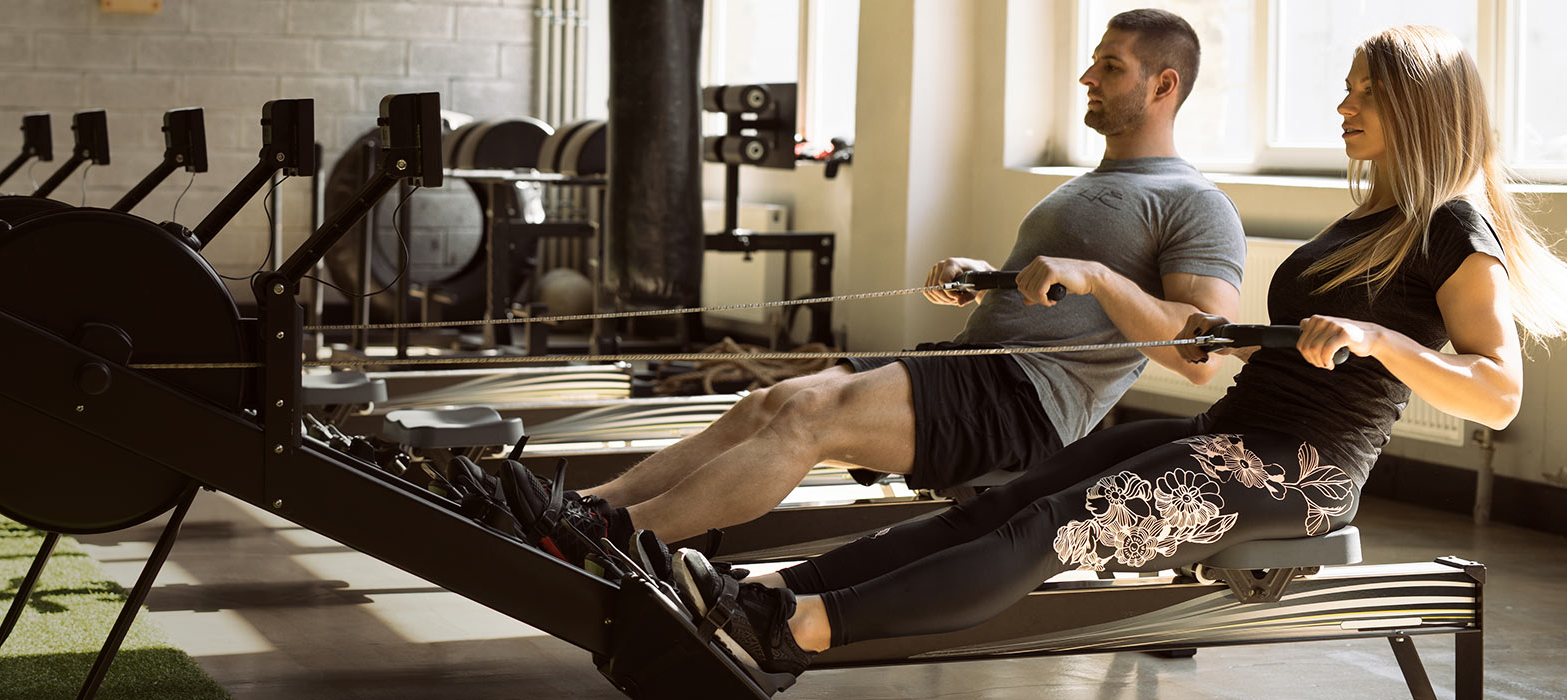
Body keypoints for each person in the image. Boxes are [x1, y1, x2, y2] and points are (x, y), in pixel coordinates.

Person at [669, 24, 1567, 679]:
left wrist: (1379, 338)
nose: (1342, 107)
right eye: (1346, 88)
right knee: (1003, 503)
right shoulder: (1366, 220)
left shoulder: (1454, 226)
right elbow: (1221, 346)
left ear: (1418, 104)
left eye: (1363, 92)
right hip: (1236, 433)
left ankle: (798, 629)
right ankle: (770, 586)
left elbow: (1496, 395)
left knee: (1048, 529)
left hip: (1303, 476)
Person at [527, 9, 1248, 556]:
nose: (1088, 79)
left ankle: (608, 538)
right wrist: (985, 280)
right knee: (768, 403)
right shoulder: (1088, 185)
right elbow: (1053, 294)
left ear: (1164, 84)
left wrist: (1095, 277)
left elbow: (1204, 356)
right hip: (973, 366)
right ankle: (583, 506)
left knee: (806, 420)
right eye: (1092, 63)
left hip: (1029, 405)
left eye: (1110, 68)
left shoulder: (1194, 203)